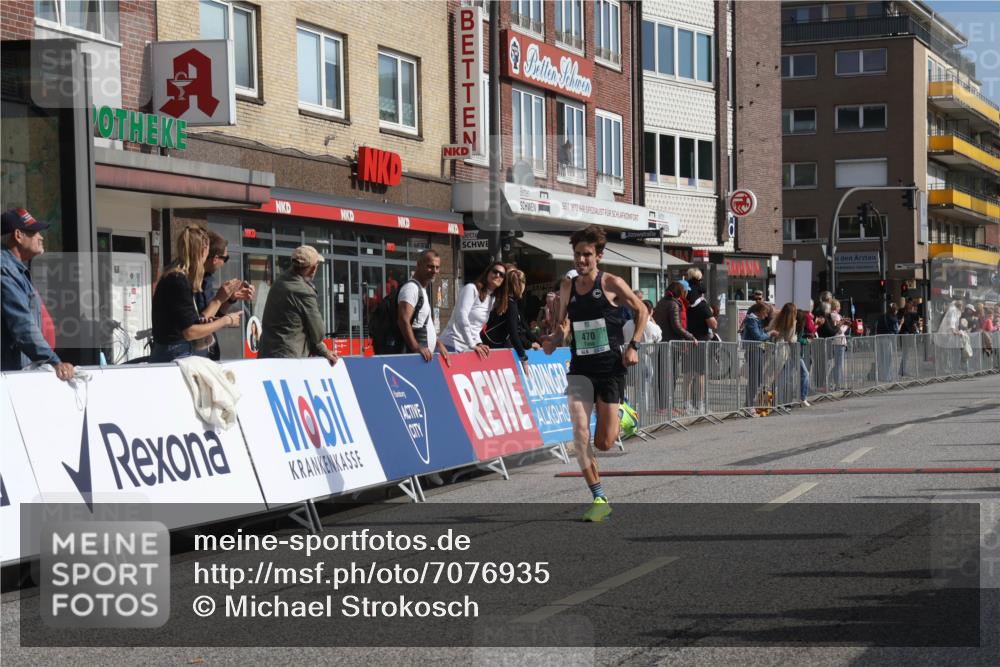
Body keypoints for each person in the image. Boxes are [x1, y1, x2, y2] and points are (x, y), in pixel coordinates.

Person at [542, 225, 647, 523]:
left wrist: (634, 345)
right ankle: (599, 497)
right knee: (578, 434)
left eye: (587, 255)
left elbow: (642, 310)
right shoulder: (567, 286)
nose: (581, 260)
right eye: (577, 254)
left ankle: (626, 415)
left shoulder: (612, 283)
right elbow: (561, 326)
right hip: (580, 370)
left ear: (598, 255)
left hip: (610, 370)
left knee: (604, 443)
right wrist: (553, 340)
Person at [0, 208, 76, 381]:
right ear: (18, 235)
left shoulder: (16, 270)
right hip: (10, 378)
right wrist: (54, 362)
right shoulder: (5, 269)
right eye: (34, 232)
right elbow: (21, 324)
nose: (40, 237)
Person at [151, 226, 243, 363]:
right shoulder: (178, 280)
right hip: (177, 353)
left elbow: (190, 321)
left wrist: (223, 304)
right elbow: (190, 332)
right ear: (202, 251)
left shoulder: (176, 277)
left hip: (174, 351)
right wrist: (226, 320)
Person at [257, 245, 338, 365]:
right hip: (288, 359)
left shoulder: (280, 281)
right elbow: (318, 333)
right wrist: (324, 350)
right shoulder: (304, 291)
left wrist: (324, 351)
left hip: (266, 355)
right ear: (313, 268)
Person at [193, 230, 254, 360]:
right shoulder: (188, 280)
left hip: (208, 351)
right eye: (225, 258)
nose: (224, 263)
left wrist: (230, 298)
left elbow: (213, 315)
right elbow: (198, 323)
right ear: (215, 258)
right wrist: (220, 301)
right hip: (193, 354)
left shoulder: (207, 278)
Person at [440, 262, 503, 358]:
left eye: (502, 275)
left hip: (467, 349)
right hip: (451, 345)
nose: (498, 275)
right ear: (487, 273)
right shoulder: (471, 289)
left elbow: (476, 327)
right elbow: (461, 316)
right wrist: (472, 344)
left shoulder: (491, 299)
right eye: (495, 271)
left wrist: (478, 343)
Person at [398, 249, 450, 365]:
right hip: (415, 358)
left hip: (424, 357)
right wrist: (416, 347)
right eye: (430, 266)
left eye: (437, 267)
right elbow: (403, 320)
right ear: (418, 265)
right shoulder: (411, 288)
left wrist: (438, 343)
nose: (434, 271)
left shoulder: (421, 289)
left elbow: (423, 322)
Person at [484, 267, 538, 372]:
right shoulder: (511, 304)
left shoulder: (505, 300)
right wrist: (524, 357)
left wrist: (531, 342)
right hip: (495, 347)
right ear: (519, 284)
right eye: (524, 283)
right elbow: (514, 333)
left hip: (490, 345)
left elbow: (519, 329)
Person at [684, 272, 717, 414]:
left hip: (687, 340)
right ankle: (701, 405)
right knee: (700, 375)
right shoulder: (702, 305)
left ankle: (687, 404)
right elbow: (713, 324)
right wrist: (712, 315)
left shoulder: (685, 302)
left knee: (687, 374)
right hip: (701, 341)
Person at [768, 302, 803, 406]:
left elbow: (770, 330)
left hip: (773, 349)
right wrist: (796, 337)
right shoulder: (792, 322)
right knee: (784, 378)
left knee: (773, 378)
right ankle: (783, 402)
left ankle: (773, 402)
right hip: (784, 351)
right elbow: (790, 339)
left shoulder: (776, 319)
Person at [740, 302, 772, 416]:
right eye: (766, 312)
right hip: (753, 350)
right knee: (754, 378)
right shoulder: (751, 320)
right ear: (760, 310)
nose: (766, 315)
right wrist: (770, 334)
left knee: (757, 378)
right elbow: (758, 337)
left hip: (757, 350)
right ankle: (749, 405)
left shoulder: (755, 320)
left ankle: (749, 403)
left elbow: (760, 335)